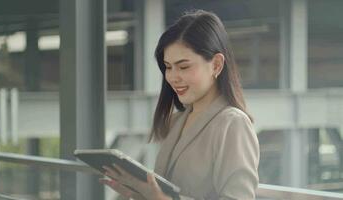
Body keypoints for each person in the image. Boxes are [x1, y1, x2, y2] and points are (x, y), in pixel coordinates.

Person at [100, 9, 260, 200]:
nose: (173, 77)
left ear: (216, 65)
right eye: (168, 67)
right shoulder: (177, 120)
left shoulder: (232, 123)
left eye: (184, 67)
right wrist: (140, 194)